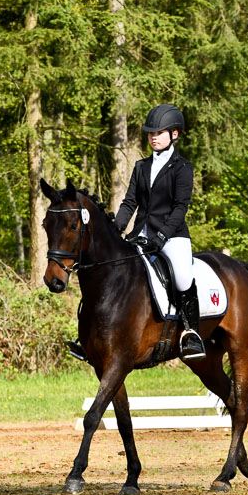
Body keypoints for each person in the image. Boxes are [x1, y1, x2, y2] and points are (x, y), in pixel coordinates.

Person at [68, 104, 206, 362]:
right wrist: (116, 228)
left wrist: (162, 236)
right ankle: (90, 337)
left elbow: (180, 208)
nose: (153, 137)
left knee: (182, 277)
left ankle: (191, 333)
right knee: (111, 271)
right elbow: (130, 202)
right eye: (150, 133)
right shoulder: (141, 166)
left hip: (172, 236)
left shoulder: (182, 168)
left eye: (159, 133)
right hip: (140, 233)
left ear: (174, 134)